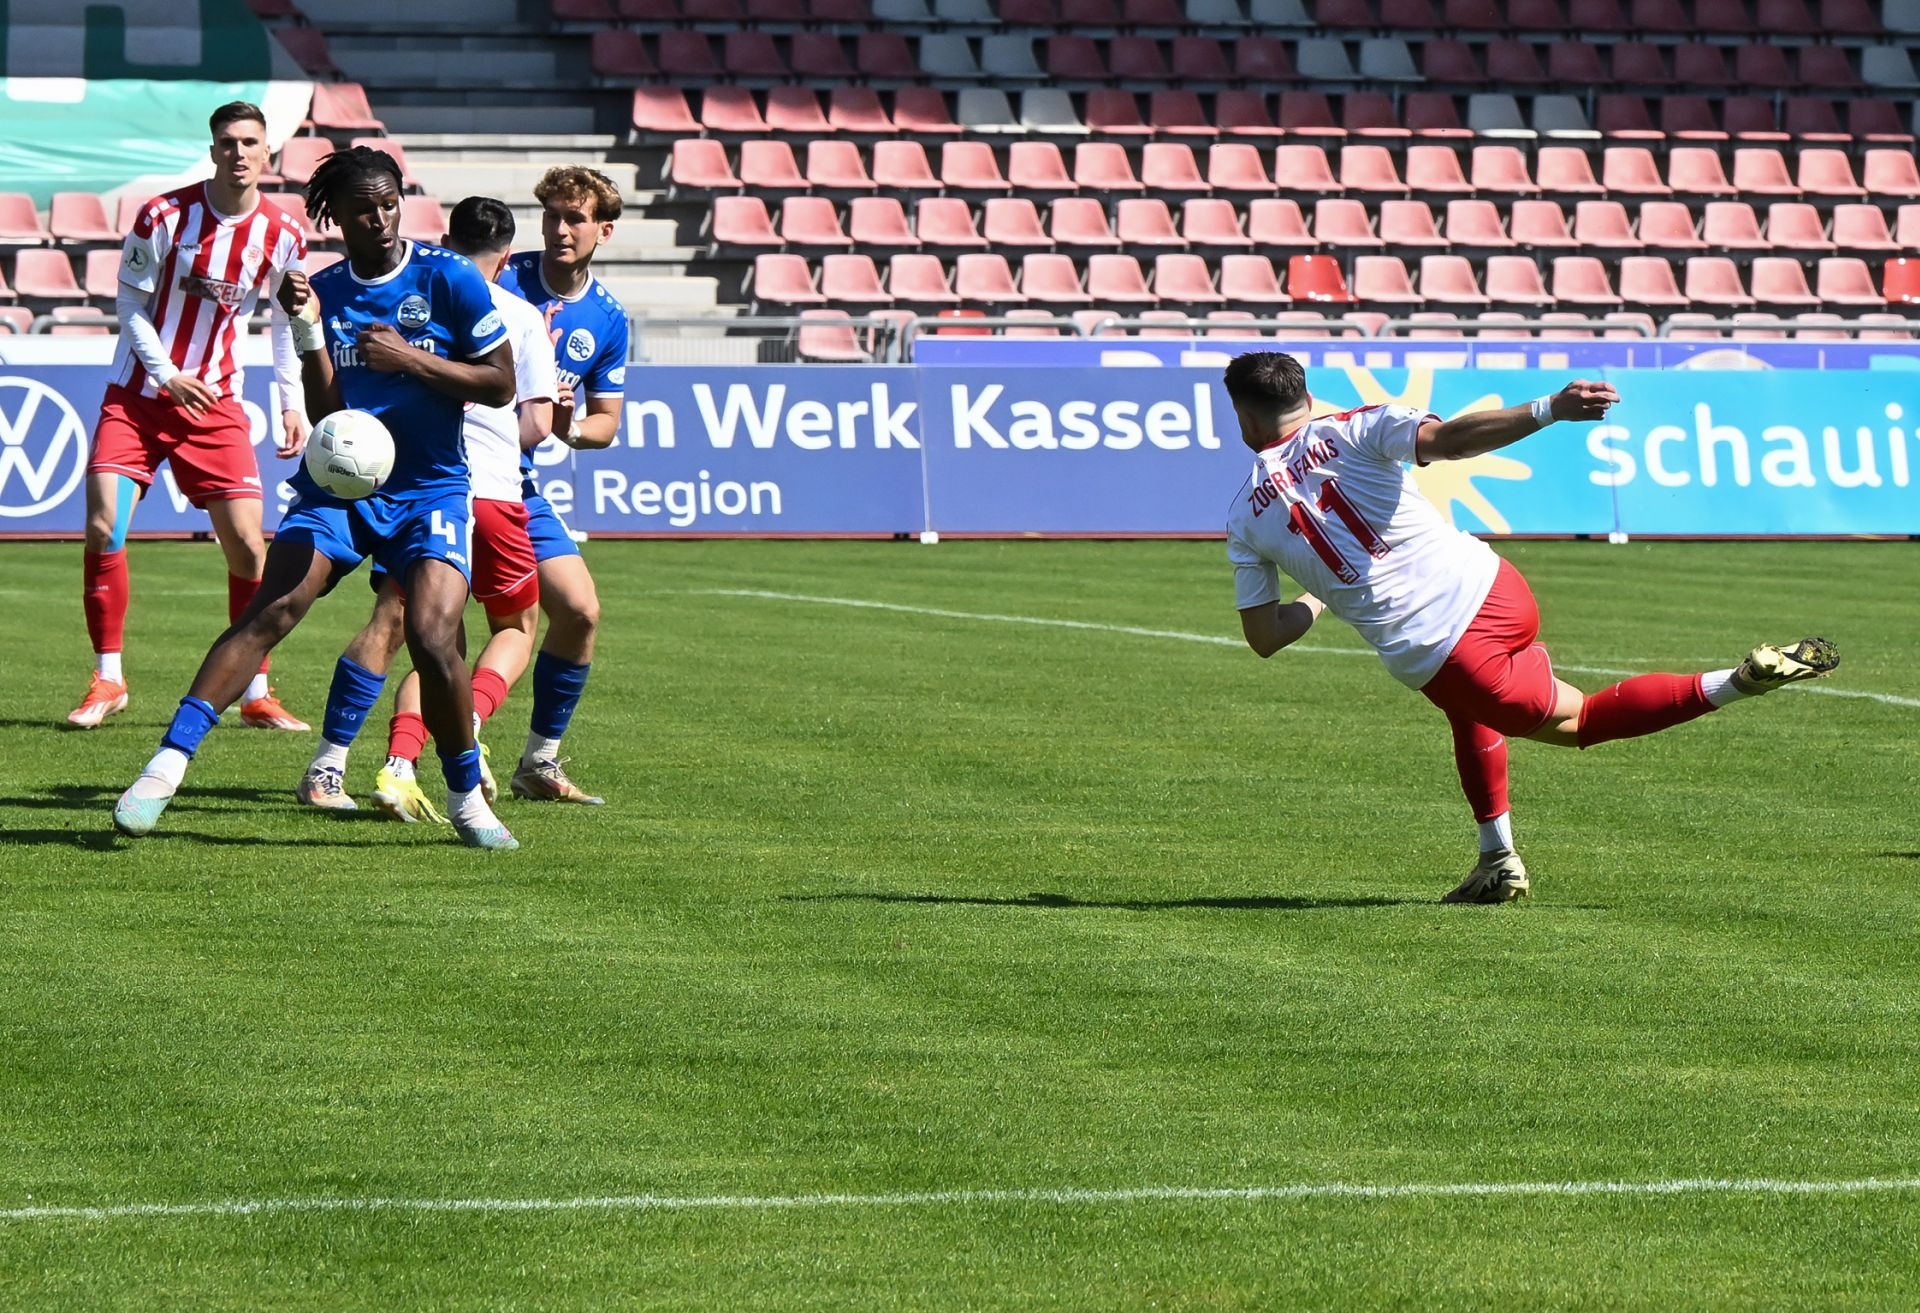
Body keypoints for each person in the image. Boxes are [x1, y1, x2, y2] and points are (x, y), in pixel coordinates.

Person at [1221, 352, 1839, 904]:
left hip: (1446, 653)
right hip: (1497, 588)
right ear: (1307, 397)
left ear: (1245, 419)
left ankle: (1738, 681)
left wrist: (1319, 598)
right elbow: (1450, 440)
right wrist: (1548, 408)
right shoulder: (1357, 424)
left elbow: (1265, 637)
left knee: (1582, 721)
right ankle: (1496, 858)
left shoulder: (1244, 518)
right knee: (1467, 714)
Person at [112, 146, 521, 850]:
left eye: (390, 203)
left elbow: (500, 383)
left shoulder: (448, 276)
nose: (381, 218)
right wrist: (308, 333)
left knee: (431, 637)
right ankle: (162, 769)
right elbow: (329, 410)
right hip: (340, 486)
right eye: (364, 209)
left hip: (430, 490)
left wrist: (411, 358)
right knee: (272, 609)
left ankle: (465, 798)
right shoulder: (324, 291)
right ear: (337, 217)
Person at [292, 196, 558, 824]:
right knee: (516, 627)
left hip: (404, 484)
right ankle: (464, 737)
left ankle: (334, 764)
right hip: (475, 489)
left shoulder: (409, 289)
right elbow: (537, 422)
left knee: (398, 623)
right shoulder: (519, 315)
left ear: (444, 241)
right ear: (507, 258)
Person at [70, 100, 311, 732]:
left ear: (267, 152)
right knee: (103, 524)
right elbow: (129, 304)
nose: (238, 152)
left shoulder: (284, 234)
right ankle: (109, 677)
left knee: (250, 548)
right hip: (138, 395)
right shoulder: (163, 215)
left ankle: (255, 690)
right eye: (228, 142)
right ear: (213, 152)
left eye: (249, 142)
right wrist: (165, 374)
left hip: (217, 403)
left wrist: (291, 401)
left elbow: (284, 324)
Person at [492, 165, 631, 806]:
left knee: (579, 612)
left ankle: (538, 761)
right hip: (449, 473)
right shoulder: (501, 277)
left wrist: (567, 426)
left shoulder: (608, 318)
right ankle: (359, 758)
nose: (560, 229)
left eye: (575, 218)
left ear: (604, 230)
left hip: (518, 482)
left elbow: (605, 425)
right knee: (418, 620)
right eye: (551, 216)